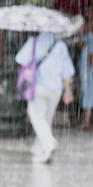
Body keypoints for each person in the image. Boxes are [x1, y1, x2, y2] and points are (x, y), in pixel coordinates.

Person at [15, 32, 75, 163]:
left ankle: (49, 143)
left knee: (36, 115)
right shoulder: (60, 45)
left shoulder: (34, 42)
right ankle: (39, 149)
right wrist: (68, 91)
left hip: (39, 85)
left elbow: (21, 60)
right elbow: (67, 71)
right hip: (56, 88)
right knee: (46, 118)